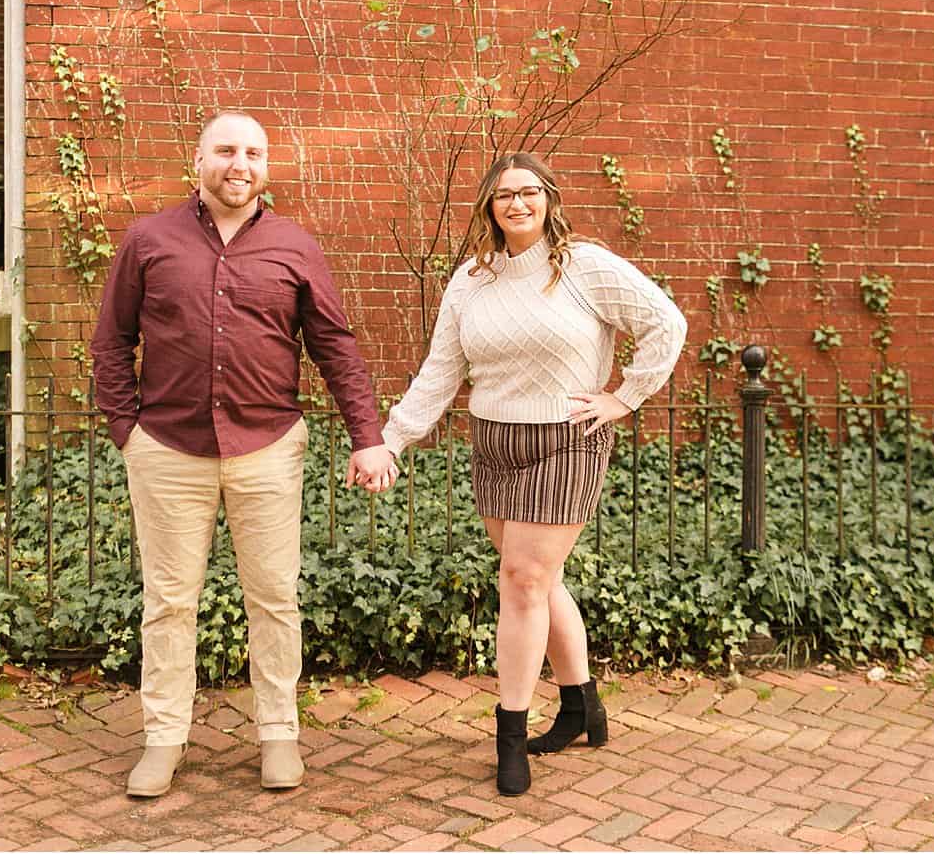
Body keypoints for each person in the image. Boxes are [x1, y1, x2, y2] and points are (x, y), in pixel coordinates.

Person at [91, 110, 399, 798]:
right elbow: (111, 341)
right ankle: (163, 739)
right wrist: (127, 429)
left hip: (267, 446)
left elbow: (334, 346)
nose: (241, 163)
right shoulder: (148, 239)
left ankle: (278, 734)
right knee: (169, 602)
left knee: (275, 598)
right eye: (226, 150)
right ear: (197, 161)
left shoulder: (295, 246)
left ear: (266, 166)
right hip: (169, 448)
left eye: (254, 152)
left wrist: (368, 435)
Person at [381, 153, 687, 796]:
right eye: (502, 196)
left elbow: (666, 322)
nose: (516, 204)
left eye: (527, 192)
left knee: (521, 580)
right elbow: (441, 370)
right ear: (488, 209)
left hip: (567, 439)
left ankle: (510, 732)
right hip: (495, 439)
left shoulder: (584, 265)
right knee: (542, 584)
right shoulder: (470, 278)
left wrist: (624, 398)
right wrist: (393, 440)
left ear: (548, 198)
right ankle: (582, 709)